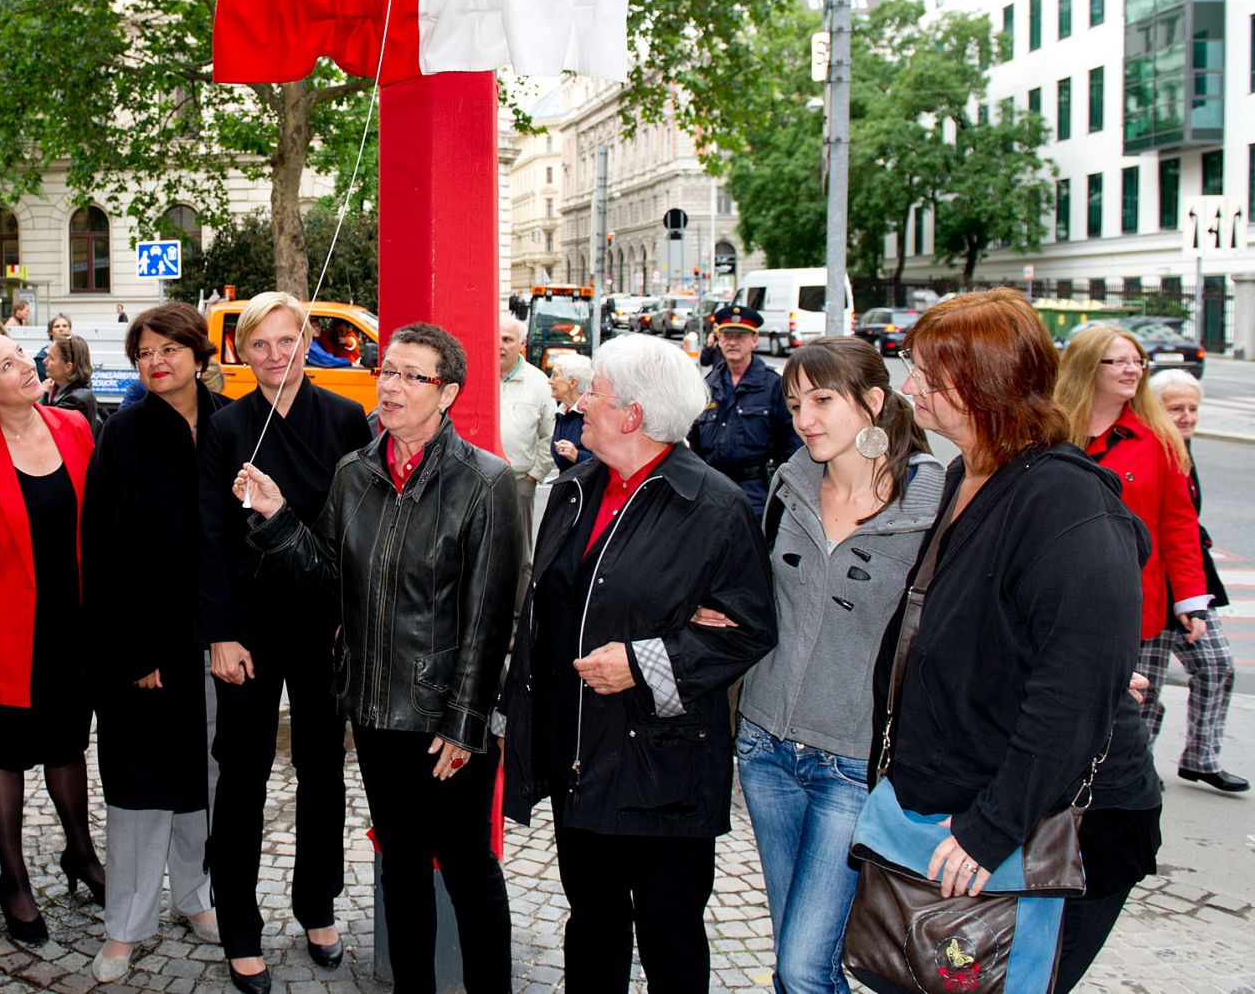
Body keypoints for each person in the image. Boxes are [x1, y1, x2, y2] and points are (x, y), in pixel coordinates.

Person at [889, 290, 1161, 994]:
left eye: (925, 371)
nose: (909, 385)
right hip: (979, 805)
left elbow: (1071, 695)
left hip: (1063, 830)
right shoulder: (968, 474)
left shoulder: (1064, 500)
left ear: (981, 382)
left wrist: (990, 829)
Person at [238, 322, 521, 994]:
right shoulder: (354, 472)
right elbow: (328, 580)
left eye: (410, 375)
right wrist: (279, 519)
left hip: (444, 717)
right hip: (372, 705)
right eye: (385, 370)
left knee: (467, 865)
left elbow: (491, 615)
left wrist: (465, 721)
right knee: (398, 861)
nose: (389, 386)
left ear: (446, 392)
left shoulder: (485, 481)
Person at [497, 334, 777, 992]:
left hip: (664, 766)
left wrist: (646, 659)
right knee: (591, 924)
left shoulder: (711, 506)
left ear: (631, 414)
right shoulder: (573, 489)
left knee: (669, 933)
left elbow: (750, 631)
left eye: (592, 390)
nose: (579, 400)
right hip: (580, 754)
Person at [733, 338, 942, 994]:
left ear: (874, 402)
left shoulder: (932, 503)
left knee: (801, 966)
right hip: (764, 747)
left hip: (853, 764)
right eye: (796, 403)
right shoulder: (788, 483)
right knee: (805, 957)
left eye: (823, 399)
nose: (806, 418)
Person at [197, 292, 369, 988]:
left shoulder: (344, 417)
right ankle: (239, 922)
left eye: (286, 339)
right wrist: (218, 633)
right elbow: (207, 536)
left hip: (321, 619)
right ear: (240, 350)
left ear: (308, 341)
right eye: (258, 343)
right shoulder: (227, 426)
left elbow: (357, 529)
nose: (274, 355)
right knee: (241, 771)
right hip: (247, 623)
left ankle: (317, 900)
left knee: (324, 768)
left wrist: (349, 615)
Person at [0, 324, 104, 945]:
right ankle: (13, 879)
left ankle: (81, 854)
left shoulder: (75, 429)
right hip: (3, 640)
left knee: (67, 748)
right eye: (8, 365)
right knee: (2, 758)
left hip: (71, 629)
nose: (28, 367)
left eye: (23, 356)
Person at [84, 303, 226, 981]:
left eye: (169, 347)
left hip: (219, 639)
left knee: (205, 774)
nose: (156, 360)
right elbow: (103, 547)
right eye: (144, 352)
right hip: (144, 644)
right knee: (140, 784)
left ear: (198, 353)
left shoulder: (233, 424)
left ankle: (196, 895)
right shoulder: (123, 432)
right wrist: (132, 649)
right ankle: (125, 924)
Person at [1054, 331, 1213, 745]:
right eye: (1119, 361)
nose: (1133, 370)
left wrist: (1191, 598)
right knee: (1063, 707)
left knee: (1131, 712)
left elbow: (1179, 525)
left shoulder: (1159, 439)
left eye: (1138, 361)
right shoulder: (1048, 429)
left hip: (1135, 602)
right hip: (1058, 596)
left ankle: (1124, 791)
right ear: (1088, 366)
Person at [1145, 370, 1244, 792]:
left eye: (1192, 409)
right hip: (1150, 582)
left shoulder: (1181, 448)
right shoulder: (1148, 449)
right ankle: (1139, 766)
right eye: (1176, 409)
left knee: (1217, 664)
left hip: (1189, 581)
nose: (1187, 417)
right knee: (1143, 686)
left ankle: (1201, 757)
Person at [686, 304, 799, 518]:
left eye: (741, 336)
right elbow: (695, 446)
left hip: (756, 493)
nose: (733, 342)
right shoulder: (709, 386)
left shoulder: (773, 385)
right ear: (719, 340)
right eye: (727, 335)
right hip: (712, 491)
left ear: (754, 341)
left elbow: (792, 446)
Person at [498, 314, 555, 533]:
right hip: (477, 481)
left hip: (519, 480)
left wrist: (534, 476)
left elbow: (549, 433)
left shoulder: (539, 382)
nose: (500, 346)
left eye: (507, 340)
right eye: (497, 339)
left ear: (522, 343)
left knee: (519, 550)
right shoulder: (478, 376)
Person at [546, 352, 594, 471]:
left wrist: (577, 455)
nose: (549, 381)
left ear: (572, 383)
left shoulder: (593, 414)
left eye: (555, 375)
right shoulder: (562, 412)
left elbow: (607, 462)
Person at [43, 334, 98, 427]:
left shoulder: (75, 401)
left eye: (51, 358)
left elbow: (44, 426)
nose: (45, 361)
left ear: (68, 367)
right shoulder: (60, 390)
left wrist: (43, 394)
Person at [34, 314, 72, 382]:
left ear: (70, 329)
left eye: (65, 326)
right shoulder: (41, 358)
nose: (61, 329)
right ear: (50, 332)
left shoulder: (77, 352)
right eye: (57, 326)